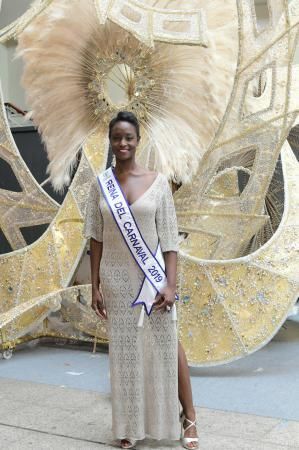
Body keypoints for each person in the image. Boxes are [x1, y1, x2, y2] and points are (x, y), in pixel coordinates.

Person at [83, 111, 199, 449]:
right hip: (115, 280)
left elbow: (170, 240)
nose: (122, 143)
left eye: (128, 138)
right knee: (125, 353)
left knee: (166, 345)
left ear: (138, 140)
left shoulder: (159, 182)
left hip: (152, 281)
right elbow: (95, 236)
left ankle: (189, 416)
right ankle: (130, 425)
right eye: (117, 137)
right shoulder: (99, 184)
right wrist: (95, 285)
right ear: (110, 140)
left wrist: (171, 285)